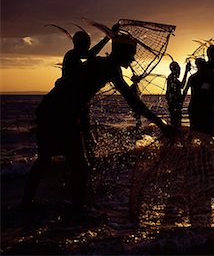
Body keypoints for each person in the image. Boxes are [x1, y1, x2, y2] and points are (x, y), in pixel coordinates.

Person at [23, 35, 172, 211]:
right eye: (131, 54)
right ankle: (77, 212)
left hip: (51, 110)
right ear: (120, 51)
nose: (132, 59)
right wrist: (161, 124)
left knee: (48, 159)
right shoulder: (110, 67)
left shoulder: (101, 63)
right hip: (59, 113)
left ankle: (29, 203)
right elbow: (133, 102)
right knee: (79, 165)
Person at [59, 30, 111, 165]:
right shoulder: (71, 55)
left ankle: (85, 161)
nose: (86, 46)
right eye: (84, 43)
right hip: (70, 106)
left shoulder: (75, 56)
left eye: (86, 43)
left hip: (77, 105)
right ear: (77, 44)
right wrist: (107, 38)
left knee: (85, 134)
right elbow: (90, 55)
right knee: (80, 136)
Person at [165, 61, 191, 128]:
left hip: (174, 104)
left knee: (175, 122)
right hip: (175, 105)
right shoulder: (172, 78)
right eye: (179, 70)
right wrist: (186, 71)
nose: (179, 72)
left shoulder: (171, 78)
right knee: (176, 123)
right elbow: (182, 85)